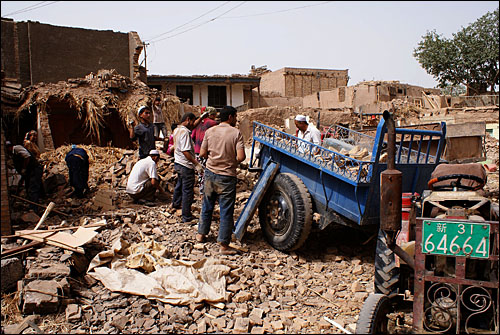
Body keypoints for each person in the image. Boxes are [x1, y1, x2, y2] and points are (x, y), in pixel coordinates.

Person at [196, 106, 246, 255]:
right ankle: (223, 244)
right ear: (230, 117)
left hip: (210, 174)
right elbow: (241, 157)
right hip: (227, 176)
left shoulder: (210, 131)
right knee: (226, 210)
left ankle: (201, 234)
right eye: (235, 116)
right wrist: (232, 160)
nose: (236, 119)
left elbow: (203, 153)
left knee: (207, 204)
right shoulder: (236, 133)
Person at [172, 112, 204, 223]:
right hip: (186, 165)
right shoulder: (185, 133)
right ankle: (186, 216)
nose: (193, 124)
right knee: (187, 191)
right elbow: (185, 151)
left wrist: (201, 117)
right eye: (193, 121)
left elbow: (193, 125)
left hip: (178, 163)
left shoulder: (177, 130)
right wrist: (196, 164)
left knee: (179, 185)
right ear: (188, 119)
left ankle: (175, 204)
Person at [6, 141, 44, 211]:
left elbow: (27, 157)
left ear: (10, 147)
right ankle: (36, 203)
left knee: (33, 189)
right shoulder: (13, 153)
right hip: (29, 172)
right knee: (28, 187)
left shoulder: (17, 148)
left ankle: (34, 208)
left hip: (34, 169)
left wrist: (24, 168)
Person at [191, 106, 218, 194]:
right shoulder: (213, 123)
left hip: (197, 151)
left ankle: (202, 192)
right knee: (210, 172)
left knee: (201, 173)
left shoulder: (198, 123)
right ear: (212, 115)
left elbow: (193, 137)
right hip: (207, 151)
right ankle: (209, 192)